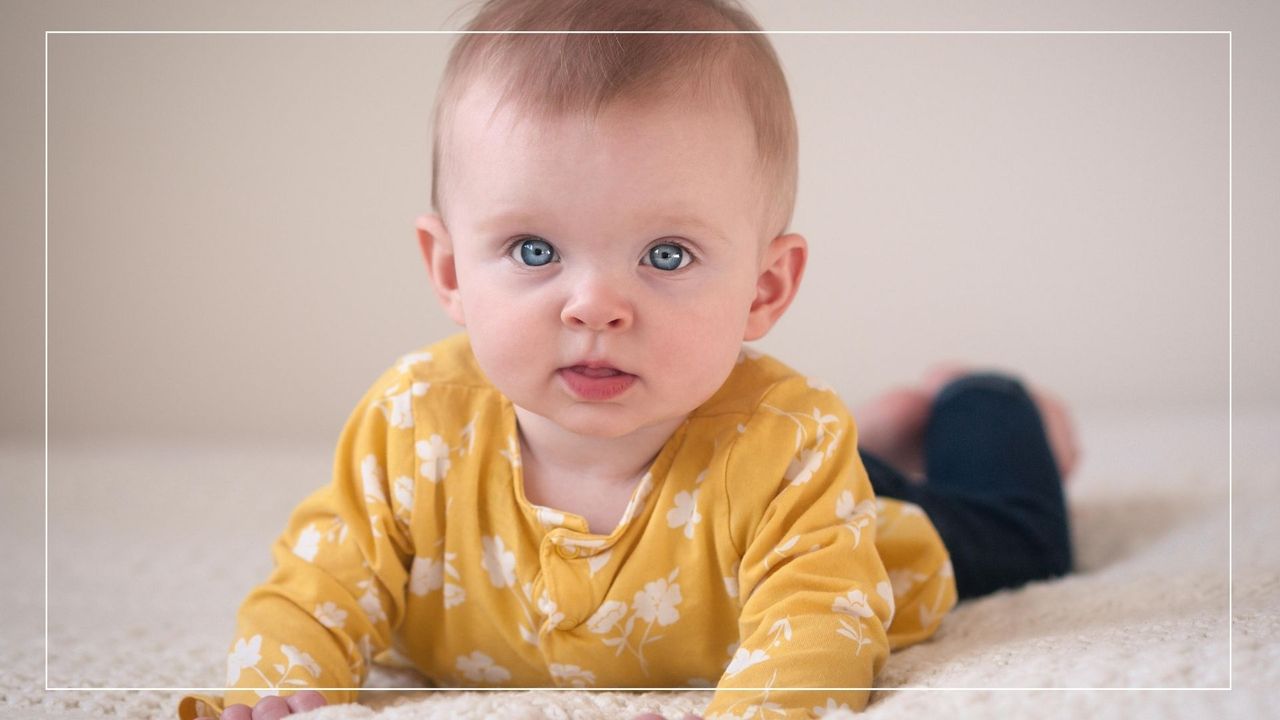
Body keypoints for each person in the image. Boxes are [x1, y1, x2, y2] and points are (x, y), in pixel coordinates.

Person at [181, 1, 1076, 718]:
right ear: (451, 271)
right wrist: (278, 688)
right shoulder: (414, 424)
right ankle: (879, 437)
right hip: (756, 463)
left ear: (764, 290)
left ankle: (979, 400)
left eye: (666, 255)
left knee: (1018, 538)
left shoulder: (789, 445)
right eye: (534, 250)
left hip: (819, 516)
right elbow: (314, 586)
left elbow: (817, 630)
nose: (596, 306)